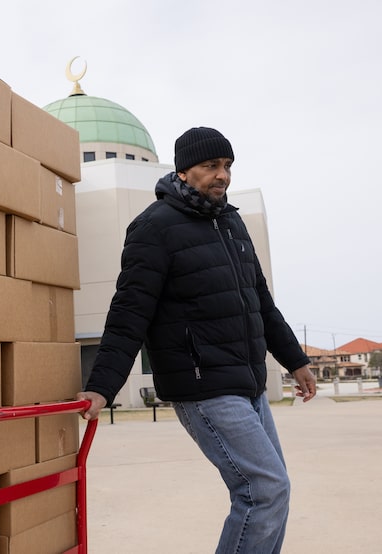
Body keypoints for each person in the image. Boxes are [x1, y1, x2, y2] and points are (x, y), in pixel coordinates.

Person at [76, 127, 317, 553]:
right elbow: (130, 312)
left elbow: (259, 301)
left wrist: (295, 361)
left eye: (227, 166)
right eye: (211, 166)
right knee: (264, 490)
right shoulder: (154, 228)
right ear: (184, 172)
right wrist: (102, 386)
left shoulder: (230, 221)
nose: (222, 175)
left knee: (272, 491)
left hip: (249, 386)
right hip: (204, 386)